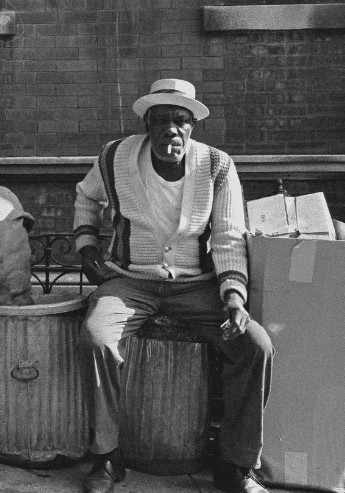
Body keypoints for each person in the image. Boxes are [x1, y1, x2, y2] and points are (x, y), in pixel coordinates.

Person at [72, 79, 274, 493]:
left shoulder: (217, 166)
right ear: (147, 124)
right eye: (160, 120)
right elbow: (86, 196)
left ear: (193, 126)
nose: (171, 130)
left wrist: (234, 298)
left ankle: (234, 465)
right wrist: (86, 243)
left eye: (180, 121)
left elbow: (229, 236)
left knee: (255, 346)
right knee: (96, 338)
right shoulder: (115, 157)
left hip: (197, 287)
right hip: (130, 282)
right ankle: (108, 457)